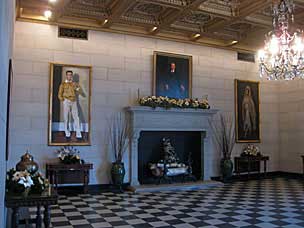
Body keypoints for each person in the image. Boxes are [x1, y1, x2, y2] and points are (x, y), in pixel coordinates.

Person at [58, 70, 84, 139]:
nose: (69, 76)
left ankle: (78, 134)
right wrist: (63, 99)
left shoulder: (74, 84)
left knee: (76, 117)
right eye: (68, 75)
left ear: (72, 76)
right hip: (66, 100)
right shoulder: (63, 84)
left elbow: (81, 92)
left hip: (74, 101)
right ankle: (67, 133)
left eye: (70, 75)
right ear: (66, 76)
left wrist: (77, 87)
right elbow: (59, 94)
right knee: (66, 117)